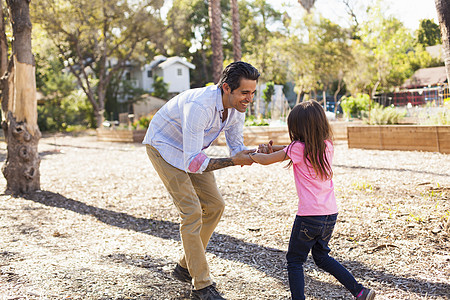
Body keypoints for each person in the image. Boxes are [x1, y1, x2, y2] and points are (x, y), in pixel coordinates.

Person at [143, 61, 259, 300]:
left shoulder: (236, 109)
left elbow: (236, 147)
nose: (249, 98)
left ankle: (185, 266)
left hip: (191, 152)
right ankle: (202, 285)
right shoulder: (200, 106)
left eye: (252, 92)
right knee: (192, 212)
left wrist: (258, 152)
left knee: (215, 206)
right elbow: (194, 163)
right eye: (245, 93)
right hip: (163, 146)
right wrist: (235, 161)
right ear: (227, 88)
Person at [249, 101, 376, 300]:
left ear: (298, 128)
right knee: (322, 257)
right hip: (329, 214)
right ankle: (359, 291)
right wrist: (271, 149)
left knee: (295, 260)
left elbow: (268, 160)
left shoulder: (298, 149)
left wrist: (252, 155)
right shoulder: (327, 145)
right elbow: (289, 148)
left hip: (309, 216)